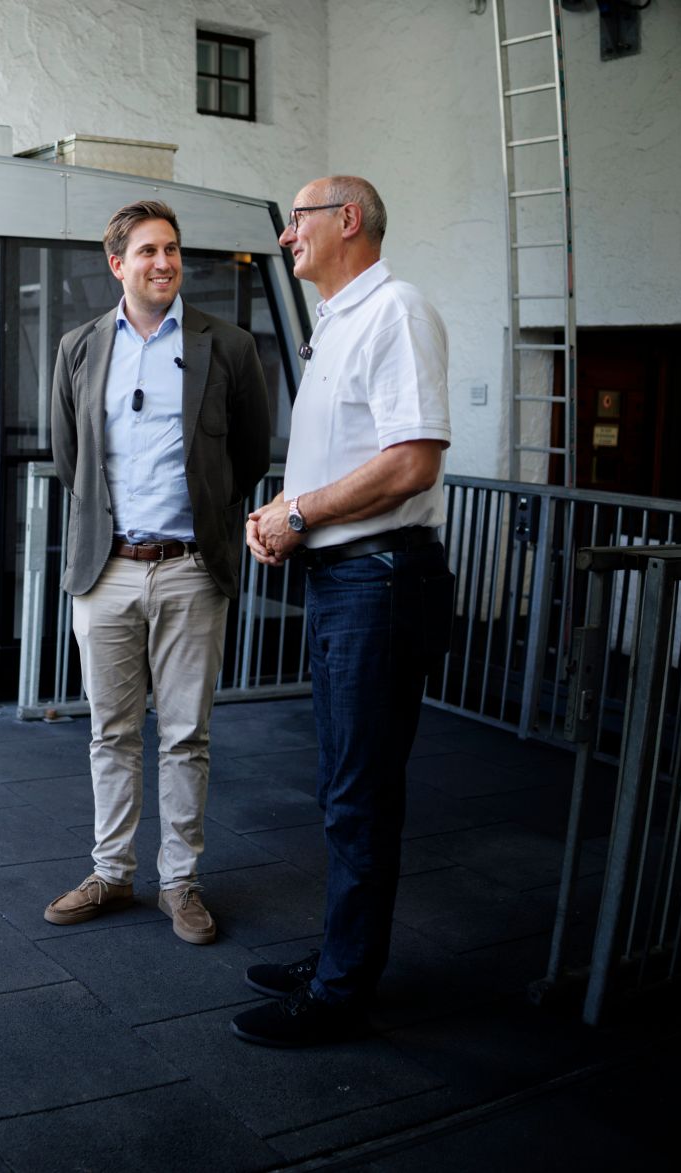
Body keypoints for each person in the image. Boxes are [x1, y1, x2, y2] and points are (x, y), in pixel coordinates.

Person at [234, 175, 455, 1047]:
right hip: (345, 578)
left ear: (347, 221)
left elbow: (411, 463)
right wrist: (282, 510)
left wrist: (297, 513)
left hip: (380, 579)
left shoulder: (396, 310)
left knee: (358, 795)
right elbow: (343, 456)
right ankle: (341, 953)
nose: (287, 237)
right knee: (340, 787)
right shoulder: (337, 325)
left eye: (298, 220)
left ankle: (341, 991)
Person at [43, 199, 272, 943]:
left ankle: (181, 882)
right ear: (117, 264)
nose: (163, 262)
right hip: (106, 571)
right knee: (110, 733)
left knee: (185, 736)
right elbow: (68, 458)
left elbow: (249, 455)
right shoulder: (80, 347)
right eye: (146, 251)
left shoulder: (227, 346)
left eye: (171, 249)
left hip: (188, 569)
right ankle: (111, 873)